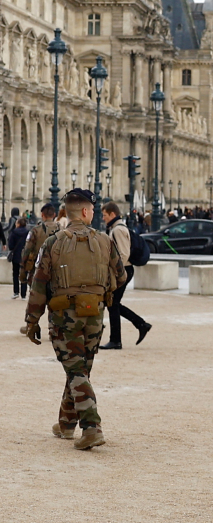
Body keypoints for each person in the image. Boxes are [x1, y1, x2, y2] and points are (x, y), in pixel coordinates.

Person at [23, 189, 126, 450]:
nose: (94, 213)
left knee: (75, 369)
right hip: (94, 312)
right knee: (80, 368)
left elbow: (39, 285)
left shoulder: (53, 243)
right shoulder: (104, 240)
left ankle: (91, 427)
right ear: (84, 211)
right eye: (92, 209)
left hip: (63, 316)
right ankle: (67, 423)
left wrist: (32, 320)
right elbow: (121, 276)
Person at [100, 201, 152, 350]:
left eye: (104, 215)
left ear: (112, 214)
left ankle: (116, 340)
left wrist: (115, 272)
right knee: (113, 303)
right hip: (124, 270)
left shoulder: (118, 230)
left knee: (112, 303)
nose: (103, 218)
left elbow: (123, 254)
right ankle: (140, 325)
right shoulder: (117, 228)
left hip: (123, 270)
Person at [19, 203, 61, 292]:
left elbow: (26, 251)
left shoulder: (36, 230)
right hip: (58, 271)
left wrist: (23, 271)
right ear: (54, 215)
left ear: (42, 215)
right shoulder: (63, 230)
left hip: (38, 270)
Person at [8, 217, 29, 299]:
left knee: (15, 274)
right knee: (24, 274)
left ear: (19, 224)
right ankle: (23, 294)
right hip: (25, 256)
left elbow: (10, 245)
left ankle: (16, 292)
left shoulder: (14, 232)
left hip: (16, 256)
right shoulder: (28, 232)